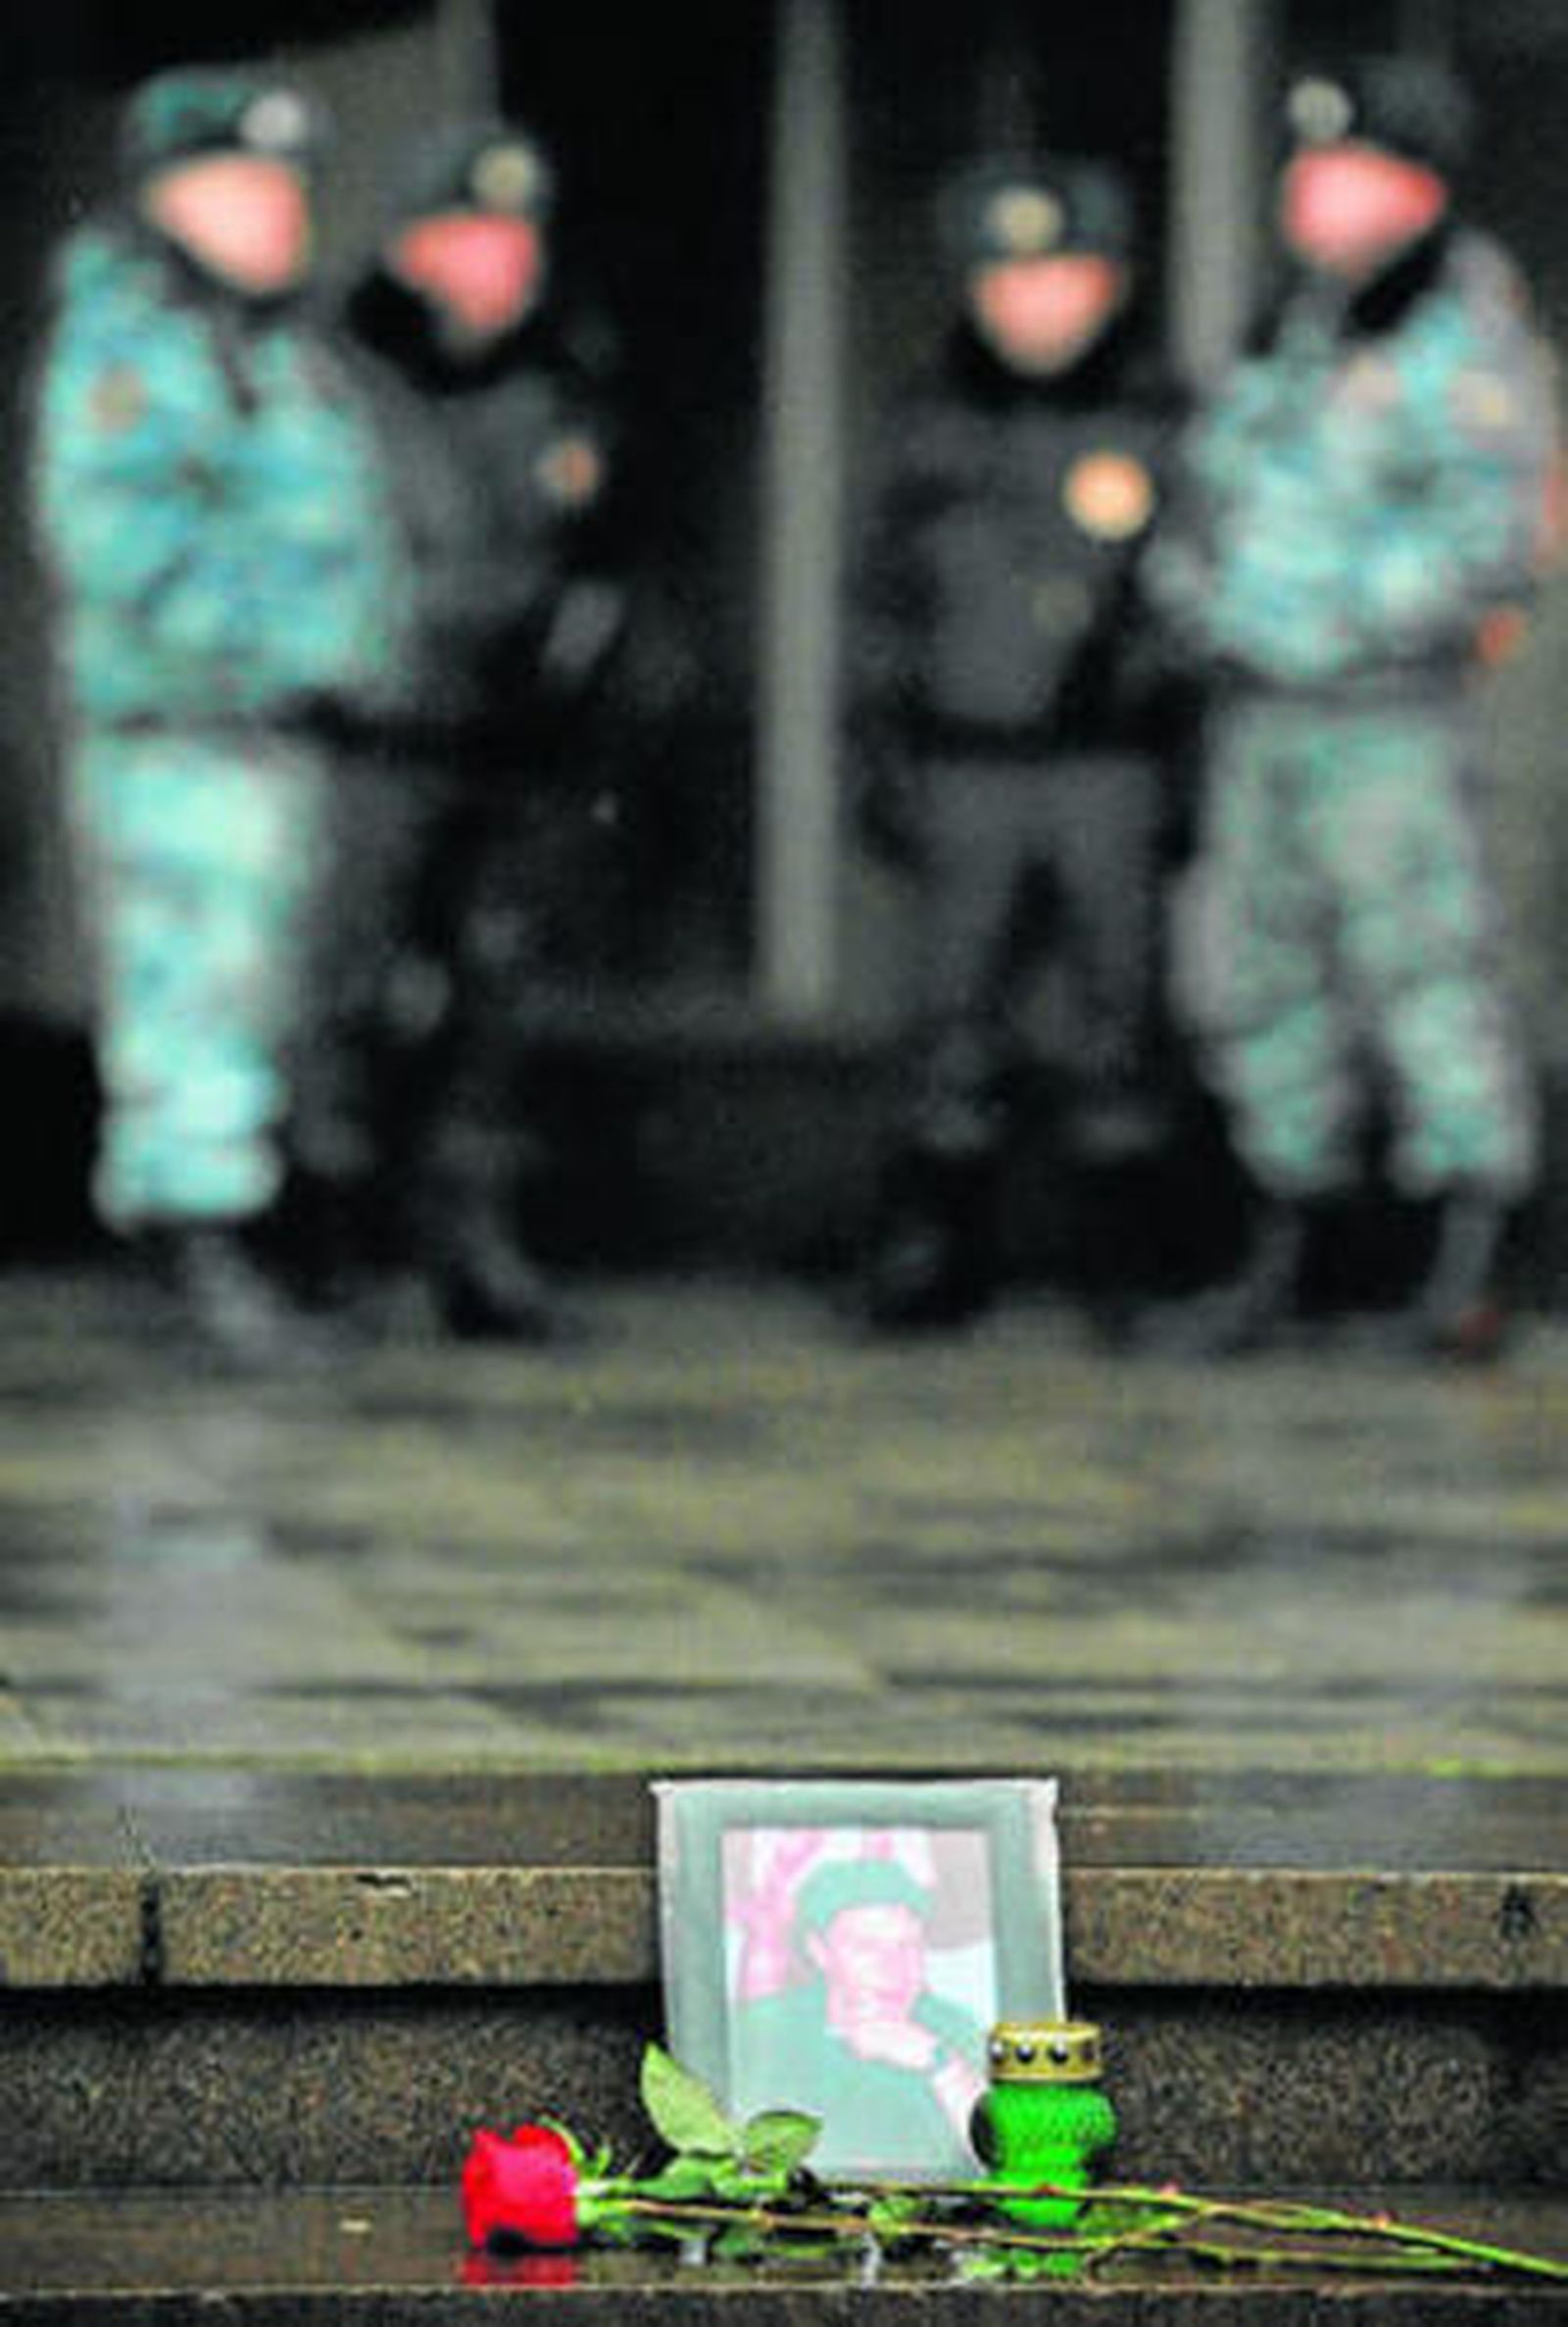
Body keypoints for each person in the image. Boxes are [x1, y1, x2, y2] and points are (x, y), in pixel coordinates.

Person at [1144, 57, 1561, 1360]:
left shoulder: (1464, 343)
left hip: (1387, 718)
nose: (1310, 190)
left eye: (1344, 165)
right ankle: (1287, 1249)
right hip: (1261, 714)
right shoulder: (1296, 327)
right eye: (1305, 163)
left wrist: (1324, 622)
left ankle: (1465, 1265)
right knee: (1263, 976)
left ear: (1414, 187)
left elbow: (1496, 540)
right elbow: (1209, 496)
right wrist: (1195, 597)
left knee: (1423, 969)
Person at [28, 68, 407, 1366]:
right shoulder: (133, 353)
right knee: (191, 991)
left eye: (286, 188)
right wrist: (292, 647)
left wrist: (359, 653)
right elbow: (127, 550)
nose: (275, 213)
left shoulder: (286, 355)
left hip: (290, 738)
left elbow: (351, 538)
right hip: (182, 739)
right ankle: (194, 1250)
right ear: (166, 196)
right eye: (241, 184)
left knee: (269, 995)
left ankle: (247, 1239)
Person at [289, 118, 626, 1343]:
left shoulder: (558, 377)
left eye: (518, 236)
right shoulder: (339, 374)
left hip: (515, 745)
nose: (504, 261)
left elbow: (593, 556)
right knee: (342, 988)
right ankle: (321, 1244)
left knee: (493, 1003)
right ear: (415, 245)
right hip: (373, 737)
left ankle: (470, 1247)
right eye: (475, 234)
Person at [846, 153, 1188, 1336]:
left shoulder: (1159, 421)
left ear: (1110, 284)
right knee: (950, 1019)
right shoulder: (927, 422)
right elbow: (876, 605)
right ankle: (935, 1261)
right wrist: (878, 758)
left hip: (1110, 765)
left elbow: (1194, 607)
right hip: (964, 761)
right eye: (1008, 278)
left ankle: (1128, 1272)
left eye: (1061, 276)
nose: (1033, 304)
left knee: (1119, 1014)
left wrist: (1179, 760)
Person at [730, 1857, 987, 2177]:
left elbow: (1001, 2158)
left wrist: (939, 2063)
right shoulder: (762, 2027)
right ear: (819, 1951)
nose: (894, 1966)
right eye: (867, 1947)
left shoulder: (952, 2027)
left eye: (908, 1946)